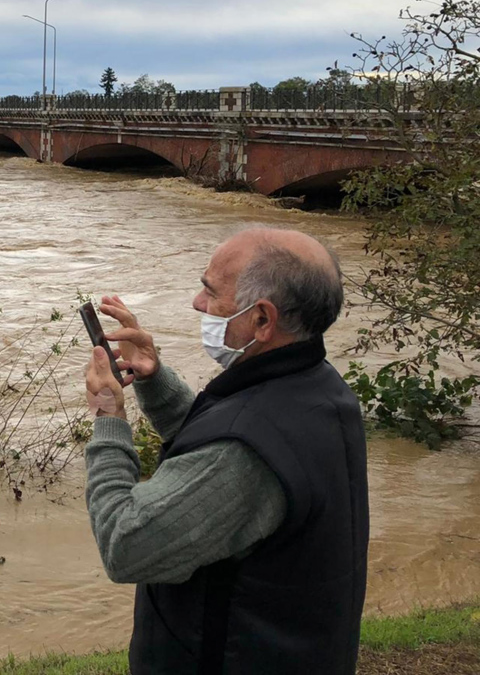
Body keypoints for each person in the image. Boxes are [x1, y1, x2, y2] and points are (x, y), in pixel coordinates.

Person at [83, 226, 369, 675]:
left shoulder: (245, 452)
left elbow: (126, 543)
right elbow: (218, 455)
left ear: (262, 320)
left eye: (211, 292)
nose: (197, 303)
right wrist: (155, 380)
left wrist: (108, 417)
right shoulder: (317, 388)